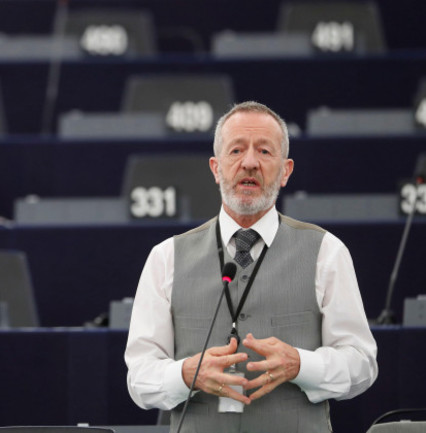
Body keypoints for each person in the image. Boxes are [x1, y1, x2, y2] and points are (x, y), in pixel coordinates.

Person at [125, 101, 377, 433]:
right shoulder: (166, 257)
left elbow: (361, 363)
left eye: (264, 151)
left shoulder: (326, 252)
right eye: (236, 151)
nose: (249, 163)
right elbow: (140, 378)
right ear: (215, 168)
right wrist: (186, 374)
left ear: (286, 171)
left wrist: (301, 365)